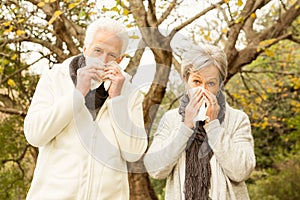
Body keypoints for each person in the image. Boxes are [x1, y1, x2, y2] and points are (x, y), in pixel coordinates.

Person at [24, 18, 148, 199]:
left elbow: (134, 153)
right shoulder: (54, 78)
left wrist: (117, 99)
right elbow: (35, 135)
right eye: (97, 50)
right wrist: (77, 94)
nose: (103, 60)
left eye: (112, 55)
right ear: (85, 49)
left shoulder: (130, 92)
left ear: (120, 59)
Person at [144, 44, 256, 200]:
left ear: (220, 84)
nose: (203, 90)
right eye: (196, 82)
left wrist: (213, 126)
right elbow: (155, 170)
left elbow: (241, 171)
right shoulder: (171, 119)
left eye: (210, 83)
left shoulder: (237, 119)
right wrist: (185, 127)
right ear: (186, 80)